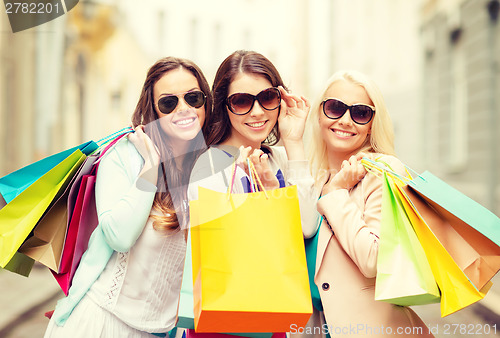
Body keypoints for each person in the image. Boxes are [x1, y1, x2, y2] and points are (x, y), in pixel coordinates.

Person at [44, 56, 212, 337]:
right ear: (153, 109)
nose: (184, 109)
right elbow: (119, 237)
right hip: (100, 322)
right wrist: (151, 167)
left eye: (193, 98)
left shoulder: (207, 167)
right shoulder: (125, 156)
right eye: (169, 103)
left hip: (159, 331)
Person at [306, 70, 433, 337]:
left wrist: (336, 193)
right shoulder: (315, 180)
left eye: (361, 112)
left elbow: (373, 260)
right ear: (319, 114)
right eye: (335, 107)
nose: (345, 120)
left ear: (373, 123)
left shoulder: (383, 171)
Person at [188, 50, 317, 238]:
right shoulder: (210, 169)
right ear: (224, 106)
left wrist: (294, 141)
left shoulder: (281, 158)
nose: (257, 111)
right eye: (241, 101)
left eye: (267, 97)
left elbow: (307, 227)